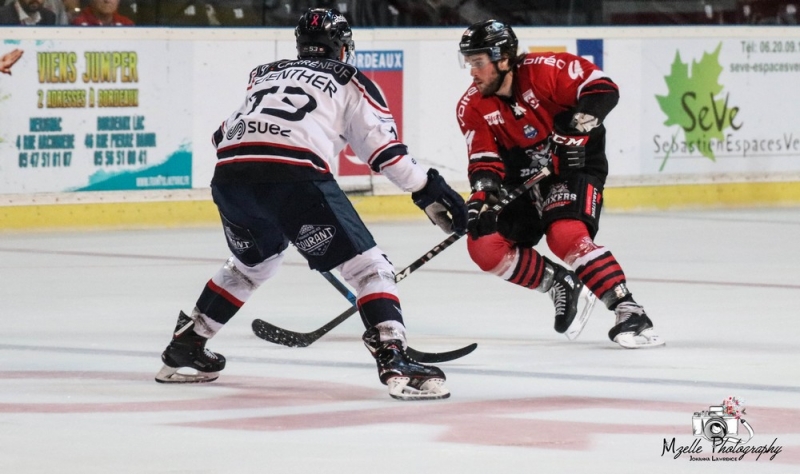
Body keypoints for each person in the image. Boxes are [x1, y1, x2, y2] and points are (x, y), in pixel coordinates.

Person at [155, 8, 468, 400]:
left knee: (252, 266)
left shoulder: (265, 74)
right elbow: (385, 154)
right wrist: (429, 189)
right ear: (343, 49)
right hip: (295, 178)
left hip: (231, 178)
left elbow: (222, 136)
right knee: (370, 270)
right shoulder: (350, 79)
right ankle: (394, 359)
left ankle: (187, 344)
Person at [455, 20, 664, 348]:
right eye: (469, 64)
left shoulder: (545, 70)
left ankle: (629, 310)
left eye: (478, 63)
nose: (472, 72)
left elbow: (603, 89)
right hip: (523, 179)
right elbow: (484, 162)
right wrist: (482, 197)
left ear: (505, 59)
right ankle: (558, 283)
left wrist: (575, 130)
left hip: (575, 167)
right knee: (483, 244)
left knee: (564, 235)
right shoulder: (472, 106)